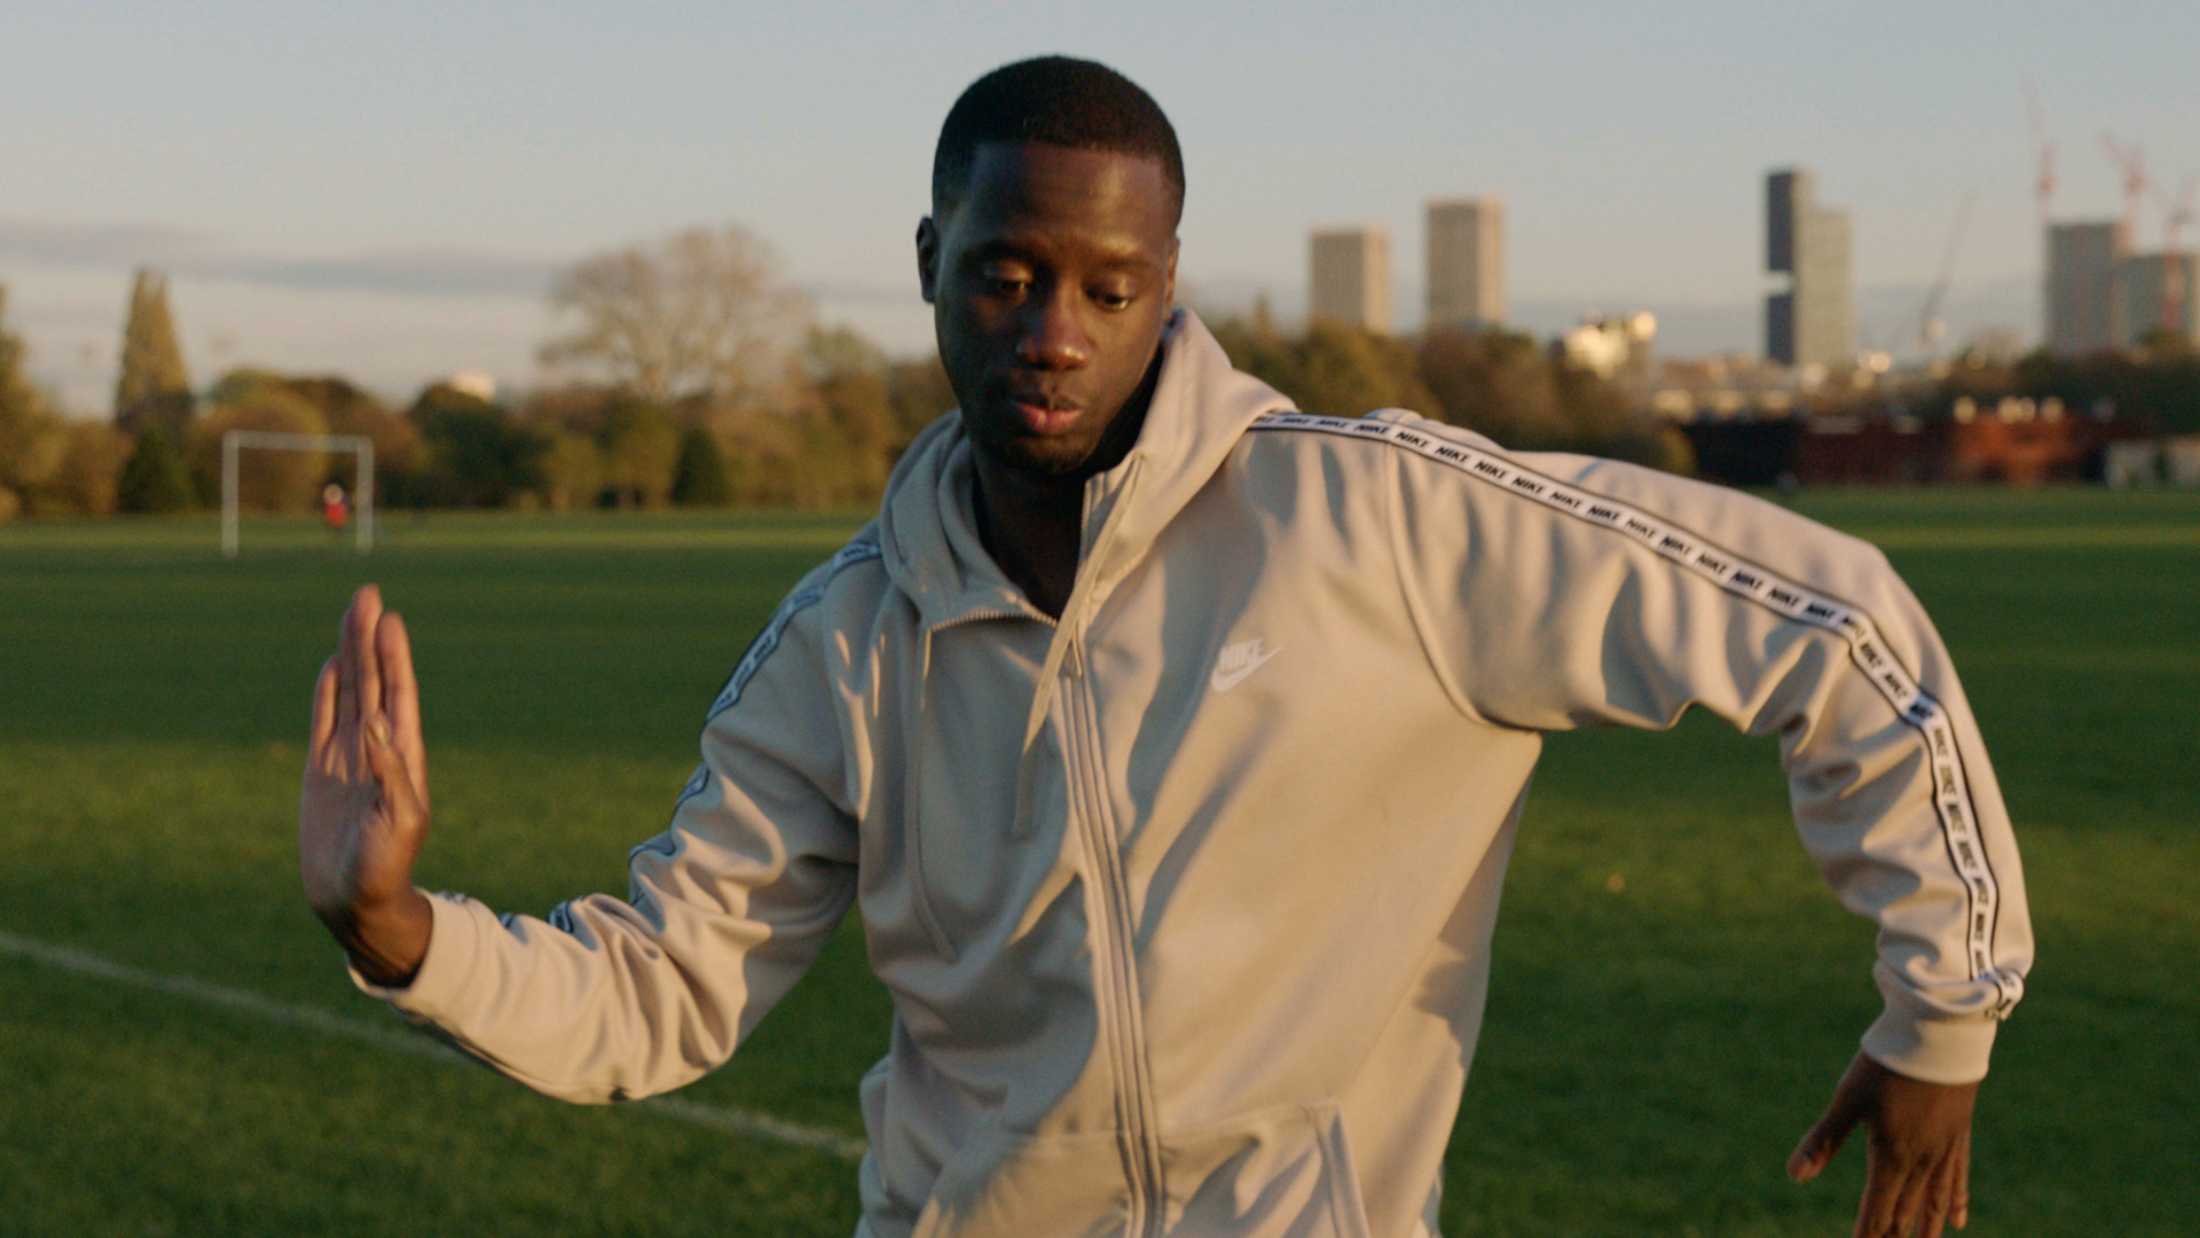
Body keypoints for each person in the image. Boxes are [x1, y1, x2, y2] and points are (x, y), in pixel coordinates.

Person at [301, 57, 2031, 1238]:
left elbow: (1835, 628)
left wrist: (1942, 1013)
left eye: (1109, 286)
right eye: (1007, 274)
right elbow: (659, 987)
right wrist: (400, 929)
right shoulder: (843, 648)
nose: (1056, 331)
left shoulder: (1379, 529)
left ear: (1173, 280)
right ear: (930, 262)